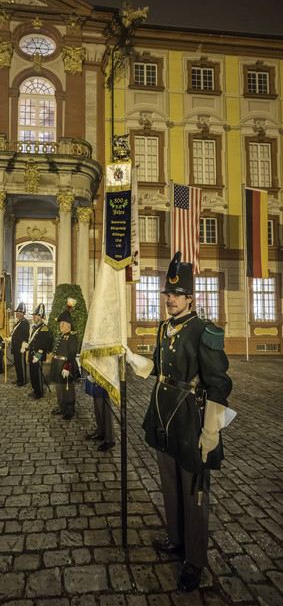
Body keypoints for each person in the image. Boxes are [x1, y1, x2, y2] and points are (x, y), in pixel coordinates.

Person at [142, 252, 233, 592]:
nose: (170, 299)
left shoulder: (203, 331)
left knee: (194, 495)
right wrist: (135, 362)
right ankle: (177, 540)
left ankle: (195, 560)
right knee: (169, 486)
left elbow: (220, 384)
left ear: (191, 297)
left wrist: (213, 429)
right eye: (167, 294)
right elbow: (159, 369)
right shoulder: (165, 328)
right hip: (164, 418)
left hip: (193, 423)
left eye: (177, 295)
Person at [50, 308, 78, 420]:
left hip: (66, 365)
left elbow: (72, 353)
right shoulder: (61, 335)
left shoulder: (72, 337)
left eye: (63, 323)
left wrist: (67, 367)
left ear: (69, 325)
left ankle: (69, 410)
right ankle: (61, 408)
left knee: (67, 389)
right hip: (57, 365)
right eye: (60, 323)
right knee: (59, 388)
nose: (61, 325)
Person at [85, 374, 115, 451]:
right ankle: (101, 432)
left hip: (104, 380)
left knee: (105, 411)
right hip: (97, 382)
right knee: (98, 408)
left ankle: (109, 439)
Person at [27, 303, 51, 399]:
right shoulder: (35, 327)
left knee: (37, 374)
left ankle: (39, 392)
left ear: (40, 317)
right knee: (32, 374)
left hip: (37, 355)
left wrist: (38, 355)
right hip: (32, 354)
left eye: (35, 316)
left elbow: (43, 343)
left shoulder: (44, 328)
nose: (33, 317)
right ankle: (35, 389)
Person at [10, 302, 30, 386]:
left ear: (22, 313)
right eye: (16, 313)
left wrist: (23, 346)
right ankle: (19, 379)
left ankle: (23, 380)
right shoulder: (18, 322)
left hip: (21, 347)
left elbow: (26, 335)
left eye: (18, 313)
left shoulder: (25, 323)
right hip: (16, 347)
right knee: (17, 364)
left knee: (21, 364)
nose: (17, 315)